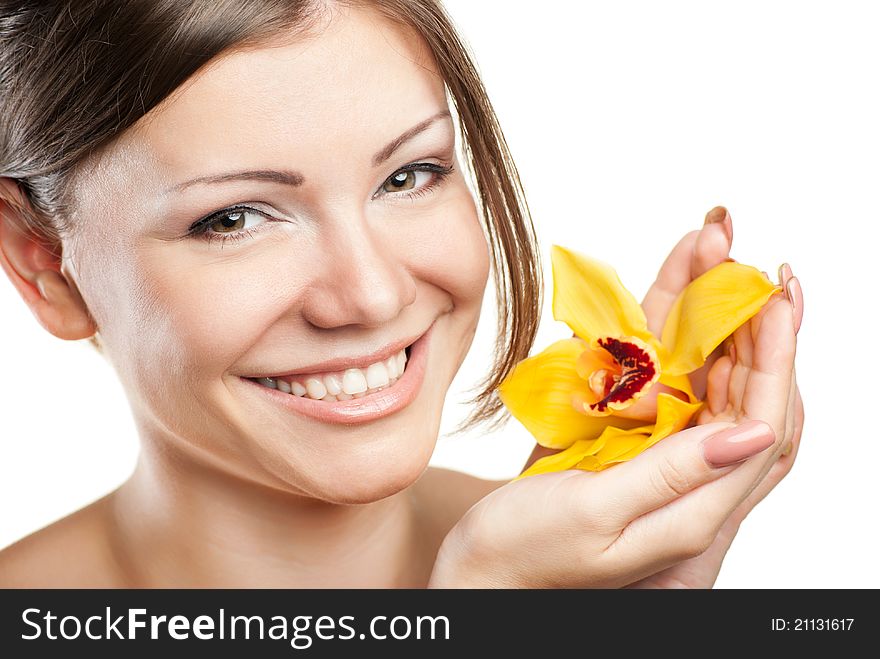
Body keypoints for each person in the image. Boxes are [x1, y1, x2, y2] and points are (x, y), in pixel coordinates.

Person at [0, 0, 803, 588]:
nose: (373, 295)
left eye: (408, 175)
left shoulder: (590, 565)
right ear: (42, 262)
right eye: (233, 217)